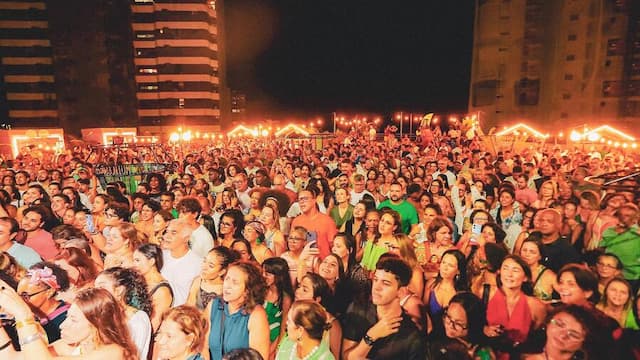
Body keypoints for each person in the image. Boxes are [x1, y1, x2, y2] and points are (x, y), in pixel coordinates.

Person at [0, 285, 138, 359]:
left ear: (96, 326)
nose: (62, 325)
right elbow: (10, 357)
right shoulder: (71, 345)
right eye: (67, 316)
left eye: (73, 320)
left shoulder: (114, 353)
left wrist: (24, 317)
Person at [341, 257, 427, 360]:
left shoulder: (411, 336)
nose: (376, 287)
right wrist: (370, 336)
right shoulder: (358, 310)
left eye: (385, 283)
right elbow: (345, 357)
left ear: (401, 291)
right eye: (376, 280)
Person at [204, 261, 270, 360]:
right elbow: (203, 346)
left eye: (235, 282)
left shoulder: (256, 315)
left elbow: (259, 357)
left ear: (247, 290)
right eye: (227, 279)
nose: (227, 286)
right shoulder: (213, 305)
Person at [484, 255, 546, 359]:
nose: (509, 274)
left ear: (525, 277)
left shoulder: (535, 305)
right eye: (505, 268)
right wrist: (484, 329)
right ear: (499, 272)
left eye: (515, 270)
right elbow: (472, 324)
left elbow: (538, 341)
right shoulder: (486, 293)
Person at [95, 267, 152, 360]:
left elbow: (135, 355)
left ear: (119, 291)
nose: (96, 292)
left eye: (101, 287)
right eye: (95, 287)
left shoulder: (138, 318)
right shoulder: (102, 315)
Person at [429, 291, 493, 360]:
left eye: (458, 323)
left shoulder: (482, 352)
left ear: (472, 325)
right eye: (448, 317)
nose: (450, 325)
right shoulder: (435, 340)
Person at [18, 262, 71, 343]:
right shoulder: (31, 317)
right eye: (18, 296)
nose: (20, 300)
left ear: (49, 292)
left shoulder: (67, 318)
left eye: (25, 295)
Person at [295, 272, 342, 359]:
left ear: (317, 299)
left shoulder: (332, 324)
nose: (298, 291)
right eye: (299, 287)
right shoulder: (294, 313)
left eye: (305, 290)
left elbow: (335, 357)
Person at [424, 249, 468, 335]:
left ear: (458, 271)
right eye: (443, 263)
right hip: (430, 333)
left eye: (450, 265)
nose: (445, 268)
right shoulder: (431, 284)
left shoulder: (461, 294)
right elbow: (423, 309)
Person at [161, 219, 204, 306]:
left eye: (173, 233)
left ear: (186, 238)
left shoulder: (198, 264)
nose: (166, 236)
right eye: (166, 232)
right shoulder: (160, 256)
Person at [599, 203, 640, 292]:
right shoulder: (609, 231)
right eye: (620, 214)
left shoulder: (638, 235)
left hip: (631, 276)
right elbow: (601, 248)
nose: (623, 218)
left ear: (635, 218)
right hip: (610, 274)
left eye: (627, 215)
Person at [133, 243, 174, 332]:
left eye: (137, 260)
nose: (134, 264)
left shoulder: (162, 291)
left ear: (152, 261)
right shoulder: (139, 280)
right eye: (134, 260)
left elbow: (154, 325)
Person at [291, 187, 338, 259]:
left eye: (305, 199)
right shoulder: (296, 221)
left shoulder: (327, 221)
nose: (302, 202)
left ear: (314, 200)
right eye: (300, 199)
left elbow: (334, 246)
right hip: (302, 264)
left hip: (322, 264)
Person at [187, 246, 237, 311]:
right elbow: (189, 306)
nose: (204, 267)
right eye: (204, 261)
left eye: (211, 266)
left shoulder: (226, 290)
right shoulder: (198, 281)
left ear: (222, 272)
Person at [262, 257, 294, 358]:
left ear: (279, 276)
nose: (263, 276)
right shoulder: (260, 290)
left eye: (267, 274)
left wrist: (277, 347)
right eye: (262, 272)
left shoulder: (285, 298)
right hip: (259, 332)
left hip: (274, 337)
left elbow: (284, 325)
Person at [519, 236, 556, 302]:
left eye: (532, 252)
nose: (527, 254)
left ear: (540, 256)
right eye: (524, 250)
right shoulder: (515, 269)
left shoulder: (549, 276)